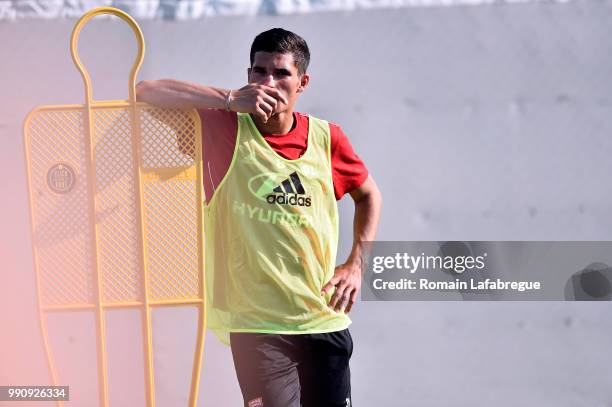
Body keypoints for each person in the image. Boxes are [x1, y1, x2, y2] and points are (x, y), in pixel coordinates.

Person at [136, 28, 382, 407]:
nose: (268, 82)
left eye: (281, 73)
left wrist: (356, 265)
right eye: (258, 71)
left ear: (303, 82)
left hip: (323, 319)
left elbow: (369, 196)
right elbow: (147, 91)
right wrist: (230, 98)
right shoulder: (224, 126)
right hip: (257, 329)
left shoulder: (326, 138)